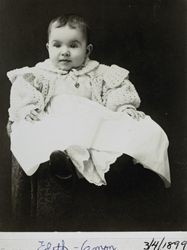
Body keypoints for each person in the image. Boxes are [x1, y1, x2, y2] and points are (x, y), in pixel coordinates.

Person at [7, 14, 171, 188]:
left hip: (91, 126)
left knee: (145, 128)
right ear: (48, 47)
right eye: (57, 45)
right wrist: (28, 108)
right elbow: (23, 91)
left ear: (87, 50)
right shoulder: (39, 74)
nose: (64, 51)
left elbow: (115, 89)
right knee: (29, 130)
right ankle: (64, 164)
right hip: (57, 124)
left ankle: (114, 165)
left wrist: (124, 107)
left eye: (73, 45)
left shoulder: (99, 72)